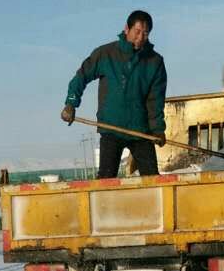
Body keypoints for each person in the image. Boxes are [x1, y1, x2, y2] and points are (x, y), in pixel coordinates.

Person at [61, 10, 167, 178]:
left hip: (140, 130)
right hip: (112, 128)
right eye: (137, 32)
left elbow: (156, 99)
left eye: (145, 33)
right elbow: (81, 76)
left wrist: (158, 129)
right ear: (127, 29)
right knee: (106, 179)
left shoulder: (155, 62)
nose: (140, 38)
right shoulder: (106, 54)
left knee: (152, 179)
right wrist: (70, 103)